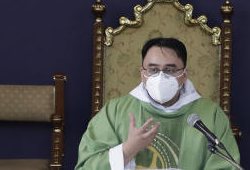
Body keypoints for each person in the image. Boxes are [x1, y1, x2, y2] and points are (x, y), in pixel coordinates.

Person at [75, 37, 240, 170]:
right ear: (142, 73)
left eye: (169, 70)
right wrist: (127, 150)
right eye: (153, 70)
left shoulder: (210, 114)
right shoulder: (115, 111)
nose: (161, 77)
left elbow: (227, 166)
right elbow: (86, 166)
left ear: (184, 74)